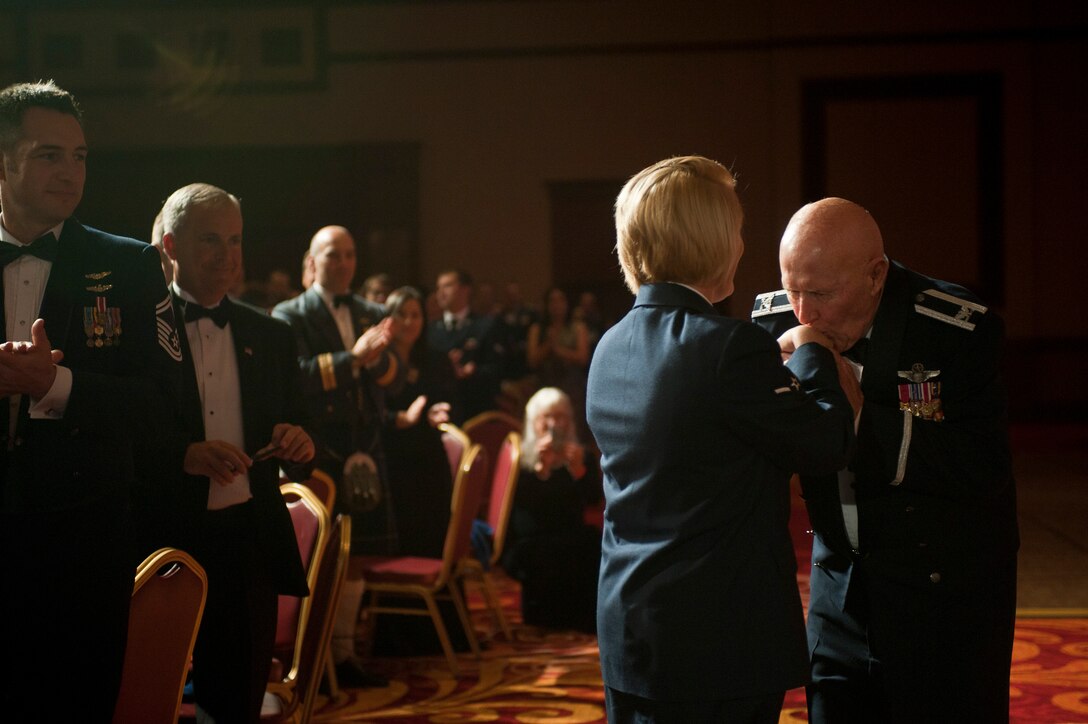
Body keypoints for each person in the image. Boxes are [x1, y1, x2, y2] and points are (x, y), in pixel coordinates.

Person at [585, 155, 858, 723]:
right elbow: (828, 441)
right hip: (714, 643)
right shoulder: (728, 348)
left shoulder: (609, 346)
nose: (740, 245)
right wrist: (810, 349)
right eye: (735, 230)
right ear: (708, 240)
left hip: (632, 627)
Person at [751, 197, 1019, 723]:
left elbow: (977, 466)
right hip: (838, 586)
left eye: (822, 294)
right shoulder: (778, 321)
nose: (803, 314)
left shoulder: (953, 328)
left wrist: (856, 417)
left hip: (944, 596)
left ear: (875, 276)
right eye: (792, 288)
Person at [0, 80, 183, 721]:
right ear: (4, 161)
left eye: (79, 157)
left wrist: (56, 387)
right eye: (49, 154)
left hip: (81, 540)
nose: (70, 172)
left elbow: (166, 407)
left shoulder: (128, 264)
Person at [144, 183, 315, 722]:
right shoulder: (138, 332)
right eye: (210, 240)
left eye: (235, 240)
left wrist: (300, 439)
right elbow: (115, 435)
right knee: (147, 690)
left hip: (248, 539)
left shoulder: (272, 336)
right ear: (170, 247)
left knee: (236, 699)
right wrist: (183, 455)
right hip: (160, 534)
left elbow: (307, 435)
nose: (227, 256)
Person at [272, 224, 399, 688]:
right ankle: (310, 656)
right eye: (332, 255)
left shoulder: (372, 310)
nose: (342, 263)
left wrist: (383, 360)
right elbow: (299, 378)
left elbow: (395, 378)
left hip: (365, 448)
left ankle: (344, 655)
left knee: (361, 554)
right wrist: (355, 358)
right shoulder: (290, 314)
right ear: (313, 260)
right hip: (318, 449)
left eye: (348, 254)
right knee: (318, 555)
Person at [501, 386, 600, 633]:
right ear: (533, 422)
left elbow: (594, 500)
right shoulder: (522, 458)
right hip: (532, 535)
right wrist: (540, 471)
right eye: (546, 417)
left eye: (560, 416)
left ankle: (583, 618)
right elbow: (518, 509)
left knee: (590, 543)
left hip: (569, 530)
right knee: (543, 550)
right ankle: (543, 617)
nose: (554, 423)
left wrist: (579, 472)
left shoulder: (580, 455)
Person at [383, 285, 454, 557]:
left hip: (426, 456)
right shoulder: (378, 359)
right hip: (390, 455)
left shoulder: (435, 359)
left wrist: (439, 412)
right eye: (402, 314)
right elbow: (368, 410)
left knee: (430, 534)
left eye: (416, 315)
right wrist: (397, 419)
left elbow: (450, 402)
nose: (409, 322)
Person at [426, 268, 505, 424]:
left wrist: (473, 371)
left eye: (447, 286)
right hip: (441, 412)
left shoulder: (485, 325)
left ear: (465, 289)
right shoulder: (431, 330)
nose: (440, 293)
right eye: (438, 287)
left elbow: (499, 370)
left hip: (475, 409)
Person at [526, 287, 590, 434]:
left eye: (560, 300)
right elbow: (532, 360)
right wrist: (549, 344)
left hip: (572, 388)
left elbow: (583, 357)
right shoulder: (537, 329)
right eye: (552, 301)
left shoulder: (578, 328)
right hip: (545, 385)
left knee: (573, 431)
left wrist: (559, 350)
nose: (556, 305)